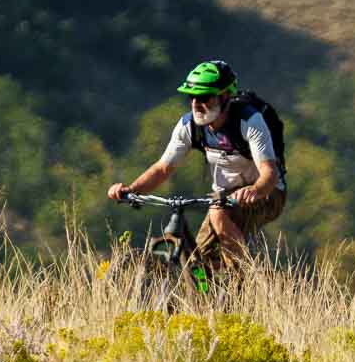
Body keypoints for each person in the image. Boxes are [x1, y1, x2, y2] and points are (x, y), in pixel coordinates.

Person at [109, 60, 284, 272]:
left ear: (225, 96)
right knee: (200, 260)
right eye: (191, 97)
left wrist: (255, 190)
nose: (196, 104)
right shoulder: (189, 125)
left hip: (267, 192)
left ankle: (249, 280)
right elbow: (162, 169)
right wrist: (131, 190)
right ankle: (207, 295)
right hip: (223, 196)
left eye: (204, 97)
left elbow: (269, 172)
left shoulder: (249, 121)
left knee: (217, 213)